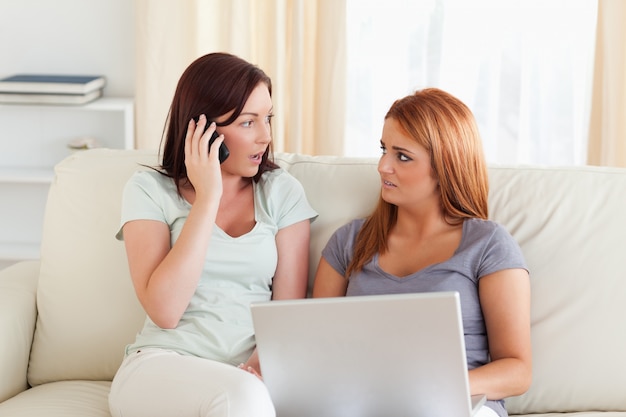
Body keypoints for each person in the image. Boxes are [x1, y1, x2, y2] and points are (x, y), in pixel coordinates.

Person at [109, 52, 317, 417]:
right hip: (160, 367)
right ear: (202, 129)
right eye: (248, 123)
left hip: (247, 378)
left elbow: (286, 316)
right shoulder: (147, 191)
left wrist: (255, 371)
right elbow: (165, 311)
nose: (265, 137)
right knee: (241, 399)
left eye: (267, 118)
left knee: (243, 398)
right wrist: (208, 197)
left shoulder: (282, 192)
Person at [312, 88, 531, 417]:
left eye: (402, 156)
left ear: (445, 166)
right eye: (383, 149)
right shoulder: (348, 242)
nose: (383, 166)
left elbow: (517, 371)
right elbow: (317, 347)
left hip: (458, 405)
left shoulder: (488, 244)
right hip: (369, 405)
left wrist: (431, 386)